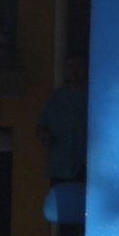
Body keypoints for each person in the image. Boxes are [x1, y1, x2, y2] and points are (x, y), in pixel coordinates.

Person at [37, 56, 88, 185]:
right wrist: (44, 135)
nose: (74, 71)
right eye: (70, 67)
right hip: (59, 166)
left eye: (78, 67)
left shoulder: (91, 97)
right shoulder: (57, 97)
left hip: (84, 166)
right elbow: (41, 127)